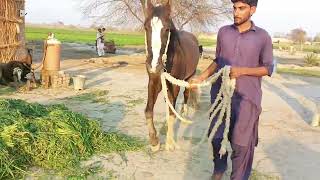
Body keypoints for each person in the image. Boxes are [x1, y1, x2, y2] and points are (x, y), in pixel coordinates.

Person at [189, 0, 274, 179]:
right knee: (216, 138)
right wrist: (201, 77)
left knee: (241, 145)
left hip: (246, 99)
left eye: (241, 8)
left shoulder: (263, 37)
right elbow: (217, 60)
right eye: (234, 8)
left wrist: (242, 71)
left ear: (252, 10)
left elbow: (268, 68)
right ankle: (219, 170)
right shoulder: (223, 32)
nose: (236, 12)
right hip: (220, 96)